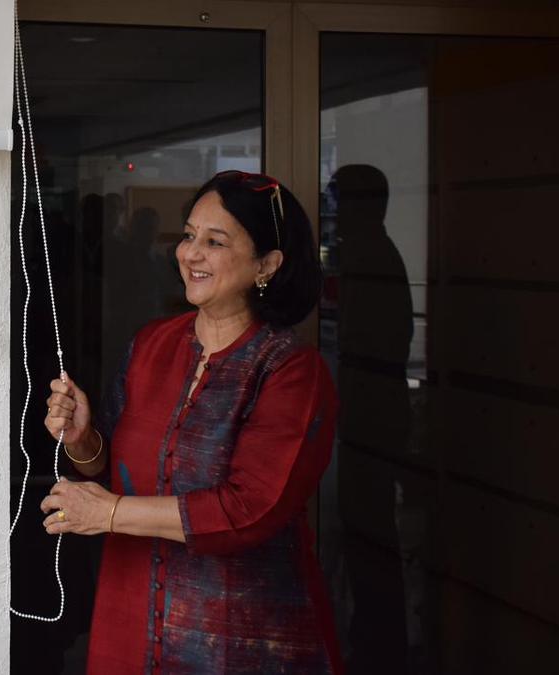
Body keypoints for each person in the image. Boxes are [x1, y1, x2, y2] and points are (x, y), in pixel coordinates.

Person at [42, 171, 343, 674]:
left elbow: (249, 509)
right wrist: (83, 439)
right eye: (188, 235)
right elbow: (114, 469)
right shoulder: (151, 345)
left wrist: (111, 515)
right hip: (130, 615)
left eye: (214, 241)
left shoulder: (289, 369)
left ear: (267, 264)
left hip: (239, 635)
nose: (190, 253)